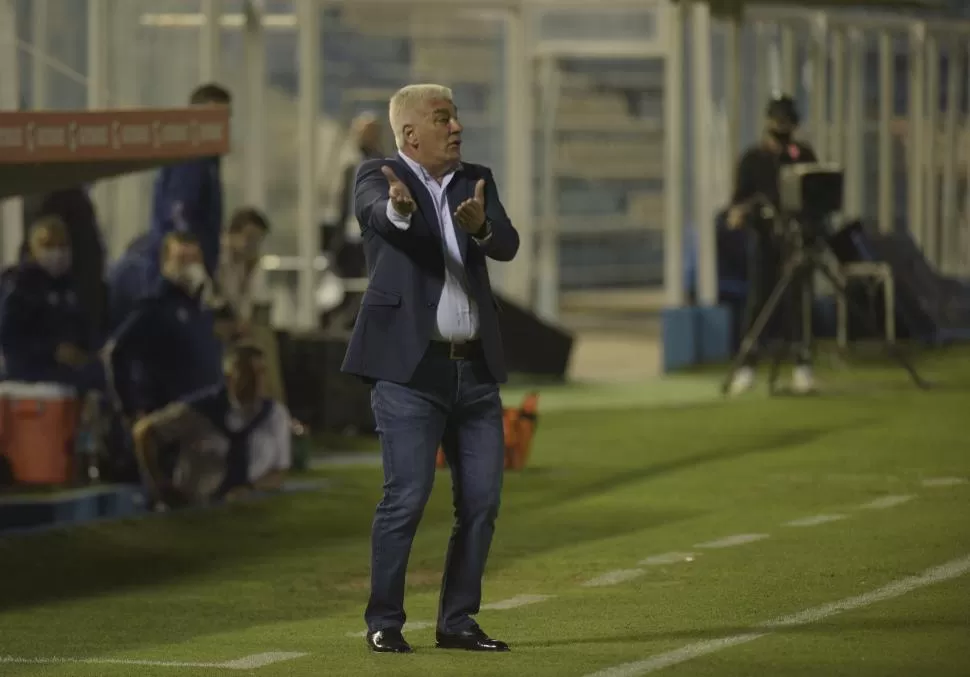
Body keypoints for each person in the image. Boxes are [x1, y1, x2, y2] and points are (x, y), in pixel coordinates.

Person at [342, 84, 519, 655]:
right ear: (411, 133)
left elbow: (507, 244)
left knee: (483, 503)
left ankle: (458, 622)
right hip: (410, 372)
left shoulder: (477, 180)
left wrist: (481, 229)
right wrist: (399, 208)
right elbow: (379, 215)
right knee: (407, 496)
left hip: (474, 371)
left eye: (457, 116)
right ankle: (385, 621)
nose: (457, 127)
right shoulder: (377, 174)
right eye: (443, 118)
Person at [725, 94, 819, 396]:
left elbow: (816, 195)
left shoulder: (801, 156)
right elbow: (738, 202)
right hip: (764, 240)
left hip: (796, 240)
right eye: (778, 122)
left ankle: (802, 364)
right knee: (759, 302)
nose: (782, 128)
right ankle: (747, 366)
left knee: (798, 302)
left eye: (788, 122)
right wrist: (743, 212)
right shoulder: (752, 160)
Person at [131, 343, 290, 509]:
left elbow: (278, 472)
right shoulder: (200, 411)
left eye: (262, 372)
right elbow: (144, 431)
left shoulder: (274, 415)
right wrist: (159, 485)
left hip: (246, 512)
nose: (258, 380)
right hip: (193, 509)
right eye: (248, 373)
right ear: (229, 376)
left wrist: (248, 489)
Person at [105, 232, 224, 418]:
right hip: (168, 416)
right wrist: (132, 408)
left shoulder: (203, 310)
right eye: (182, 259)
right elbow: (117, 353)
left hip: (204, 419)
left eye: (194, 259)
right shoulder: (155, 307)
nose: (191, 267)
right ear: (166, 264)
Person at [0, 215, 101, 389]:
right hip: (30, 375)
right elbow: (11, 339)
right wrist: (53, 351)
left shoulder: (71, 288)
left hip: (71, 372)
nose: (58, 253)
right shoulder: (20, 287)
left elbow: (85, 328)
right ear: (33, 249)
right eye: (48, 246)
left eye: (63, 245)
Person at [149, 83, 231, 277]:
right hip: (184, 272)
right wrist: (193, 272)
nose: (221, 126)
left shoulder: (209, 160)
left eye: (225, 118)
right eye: (213, 118)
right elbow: (180, 213)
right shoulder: (190, 159)